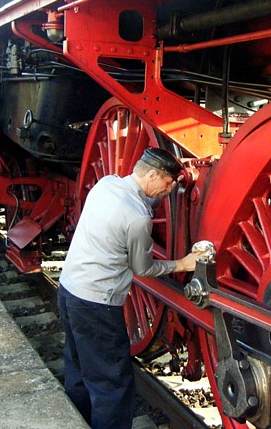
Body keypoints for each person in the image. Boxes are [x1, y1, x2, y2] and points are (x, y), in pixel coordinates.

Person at [58, 147, 207, 428]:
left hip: (68, 291)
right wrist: (183, 264)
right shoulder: (138, 217)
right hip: (97, 305)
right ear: (152, 175)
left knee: (77, 364)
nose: (168, 190)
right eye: (167, 183)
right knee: (112, 384)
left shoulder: (107, 184)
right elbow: (144, 269)